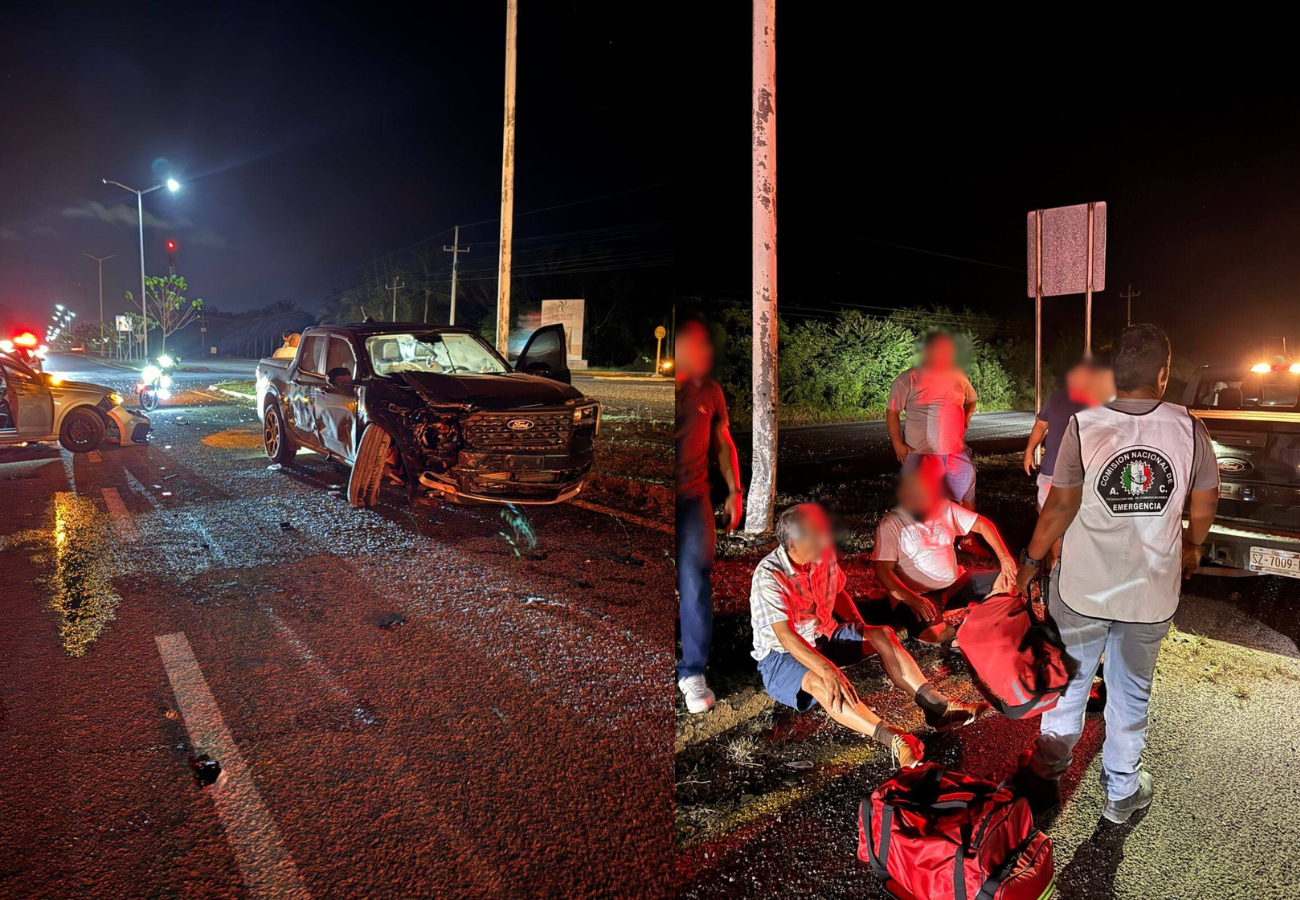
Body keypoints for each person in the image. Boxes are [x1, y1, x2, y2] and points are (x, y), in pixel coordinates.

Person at [1014, 324, 1219, 824]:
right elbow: (1205, 502)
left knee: (1069, 683)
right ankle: (1122, 792)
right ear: (1163, 374)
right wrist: (1193, 546)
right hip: (1149, 593)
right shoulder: (1189, 428)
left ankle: (1045, 773)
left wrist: (1031, 561)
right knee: (1130, 692)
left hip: (1083, 588)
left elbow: (1060, 505)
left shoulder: (1084, 425)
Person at [752, 503, 990, 767]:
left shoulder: (822, 552)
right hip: (782, 654)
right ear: (791, 544)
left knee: (882, 635)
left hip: (824, 634)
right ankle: (894, 739)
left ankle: (938, 708)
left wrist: (858, 626)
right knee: (822, 681)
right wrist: (829, 670)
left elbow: (838, 591)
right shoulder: (769, 575)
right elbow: (786, 637)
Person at [675, 316, 743, 714]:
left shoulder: (710, 390)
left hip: (693, 498)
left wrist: (734, 492)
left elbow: (722, 441)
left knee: (695, 576)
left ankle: (692, 671)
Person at [873, 467, 1018, 644]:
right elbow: (883, 570)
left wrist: (1005, 558)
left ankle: (972, 616)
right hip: (920, 594)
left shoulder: (944, 508)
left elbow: (982, 525)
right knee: (933, 635)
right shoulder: (891, 524)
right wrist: (911, 598)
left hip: (956, 583)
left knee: (1007, 579)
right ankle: (972, 621)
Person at [886, 332, 981, 551]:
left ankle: (967, 540)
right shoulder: (908, 378)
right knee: (923, 502)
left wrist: (965, 419)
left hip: (956, 451)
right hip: (922, 453)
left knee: (966, 495)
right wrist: (897, 444)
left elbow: (972, 399)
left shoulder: (957, 375)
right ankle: (922, 546)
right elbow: (892, 412)